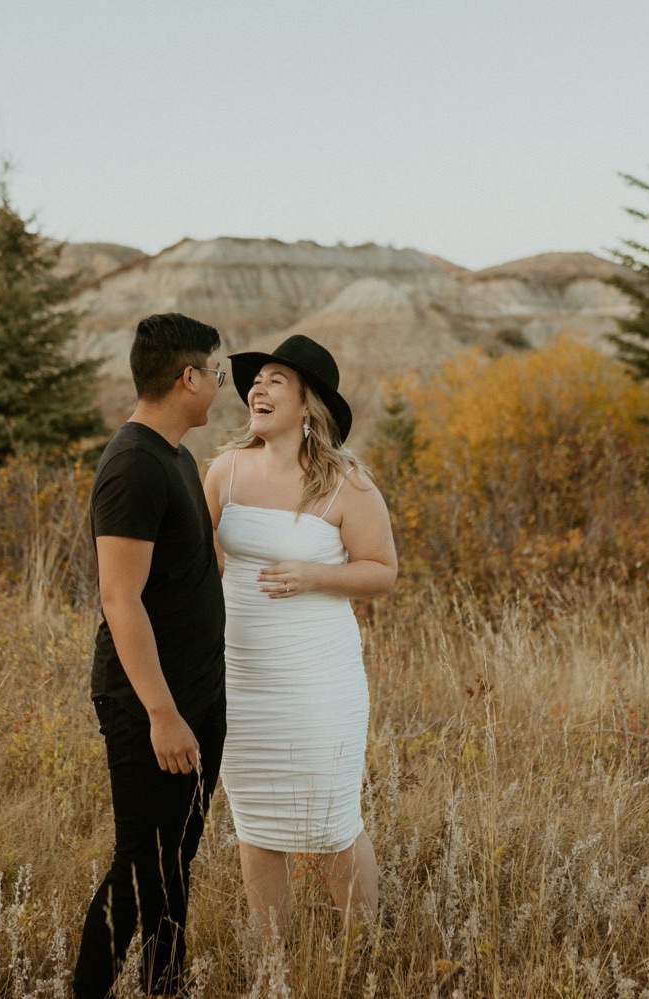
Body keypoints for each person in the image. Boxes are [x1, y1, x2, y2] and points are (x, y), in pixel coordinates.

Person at [202, 334, 398, 942]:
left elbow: (383, 572)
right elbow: (201, 564)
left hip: (317, 677)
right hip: (242, 670)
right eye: (254, 381)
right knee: (256, 822)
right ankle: (271, 958)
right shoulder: (226, 469)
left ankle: (362, 951)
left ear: (308, 402)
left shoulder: (348, 484)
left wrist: (315, 574)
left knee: (330, 823)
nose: (257, 388)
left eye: (274, 380)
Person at [73, 312, 228, 999]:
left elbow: (194, 569)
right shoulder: (134, 465)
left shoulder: (178, 457)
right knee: (141, 867)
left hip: (197, 696)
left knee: (173, 865)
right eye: (216, 372)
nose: (221, 384)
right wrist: (163, 714)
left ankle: (165, 985)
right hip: (150, 706)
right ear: (186, 377)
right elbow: (120, 598)